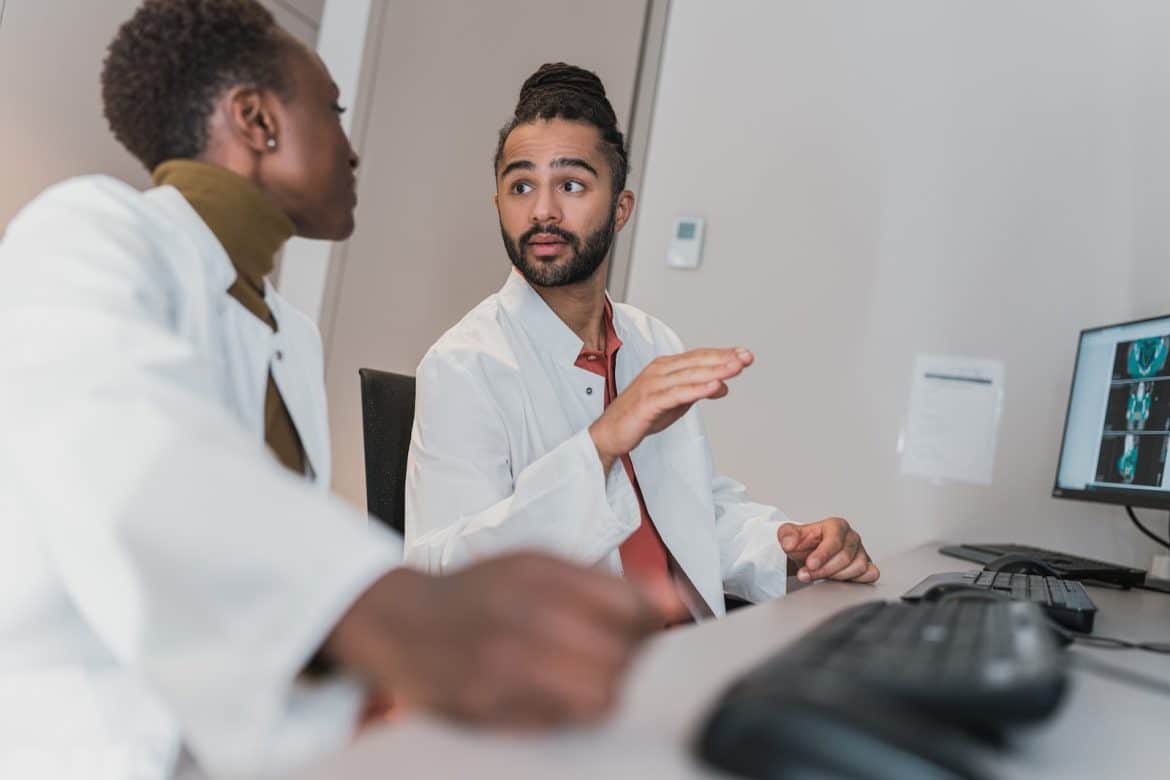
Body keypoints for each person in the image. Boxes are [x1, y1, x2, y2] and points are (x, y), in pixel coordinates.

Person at [0, 7, 678, 779]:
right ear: (258, 120)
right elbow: (122, 445)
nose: (352, 151)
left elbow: (253, 601)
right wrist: (403, 615)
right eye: (332, 111)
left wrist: (367, 693)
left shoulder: (289, 333)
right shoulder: (86, 228)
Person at [404, 63, 880, 618]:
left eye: (572, 184)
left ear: (620, 208)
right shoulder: (465, 363)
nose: (542, 211)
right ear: (499, 206)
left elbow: (689, 507)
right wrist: (599, 445)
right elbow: (441, 574)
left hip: (690, 651)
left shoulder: (651, 339)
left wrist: (791, 548)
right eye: (521, 186)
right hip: (580, 674)